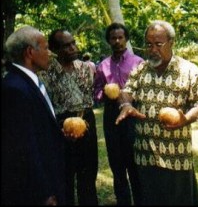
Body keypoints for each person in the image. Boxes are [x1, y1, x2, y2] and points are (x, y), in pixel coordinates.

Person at [115, 20, 198, 205]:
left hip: (175, 155)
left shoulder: (188, 70)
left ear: (171, 42)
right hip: (145, 155)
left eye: (158, 44)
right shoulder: (140, 69)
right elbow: (127, 91)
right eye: (148, 44)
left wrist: (185, 119)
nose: (152, 49)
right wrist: (125, 105)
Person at [1, 26, 66, 205]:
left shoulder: (31, 82)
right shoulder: (14, 89)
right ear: (30, 52)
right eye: (46, 48)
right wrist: (43, 193)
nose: (51, 53)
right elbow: (22, 148)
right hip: (37, 192)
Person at [38, 29, 98, 205]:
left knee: (88, 174)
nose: (73, 48)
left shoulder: (85, 68)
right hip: (62, 126)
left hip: (87, 121)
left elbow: (88, 96)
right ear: (55, 50)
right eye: (67, 46)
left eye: (73, 43)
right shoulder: (46, 73)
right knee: (65, 177)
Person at [94, 22, 144, 205]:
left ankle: (140, 200)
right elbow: (96, 92)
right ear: (109, 41)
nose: (117, 41)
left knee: (135, 165)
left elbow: (144, 90)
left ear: (126, 39)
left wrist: (128, 96)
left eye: (120, 37)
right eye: (113, 38)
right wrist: (105, 93)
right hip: (111, 118)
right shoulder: (103, 66)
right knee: (117, 165)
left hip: (132, 116)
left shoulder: (138, 63)